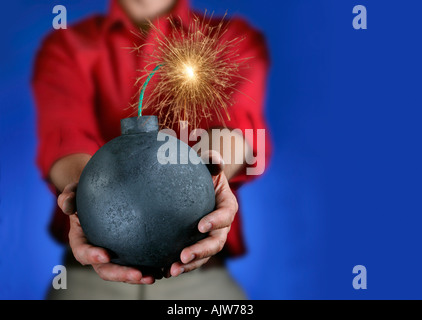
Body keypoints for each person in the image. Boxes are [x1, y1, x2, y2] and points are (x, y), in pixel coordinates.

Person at [32, 0, 271, 299]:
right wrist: (86, 193)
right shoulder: (68, 44)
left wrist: (207, 172)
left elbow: (240, 128)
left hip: (199, 276)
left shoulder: (231, 37)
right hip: (91, 271)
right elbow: (64, 137)